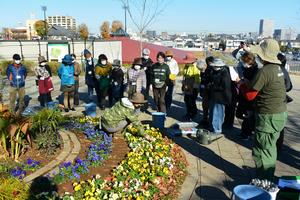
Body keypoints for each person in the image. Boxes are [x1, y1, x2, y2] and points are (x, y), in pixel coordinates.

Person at [239, 39, 287, 181]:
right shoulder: (279, 69)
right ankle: (268, 176)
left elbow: (250, 95)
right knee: (270, 148)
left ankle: (264, 181)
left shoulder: (264, 71)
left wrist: (241, 84)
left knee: (262, 150)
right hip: (280, 114)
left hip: (268, 116)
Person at [236, 52, 258, 140]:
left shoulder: (255, 70)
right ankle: (244, 132)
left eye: (244, 61)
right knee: (244, 115)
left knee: (248, 115)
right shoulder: (247, 69)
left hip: (250, 97)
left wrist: (243, 82)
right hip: (244, 95)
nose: (243, 63)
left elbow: (252, 84)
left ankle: (247, 133)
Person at [206, 58, 232, 134]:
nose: (215, 67)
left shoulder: (224, 73)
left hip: (221, 97)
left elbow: (225, 86)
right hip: (213, 95)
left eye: (216, 66)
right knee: (212, 112)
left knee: (217, 113)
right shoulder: (213, 71)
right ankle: (212, 127)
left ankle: (217, 129)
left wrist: (213, 86)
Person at [276, 52, 293, 153]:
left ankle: (277, 146)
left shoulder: (275, 71)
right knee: (280, 125)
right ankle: (279, 145)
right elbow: (289, 86)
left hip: (276, 101)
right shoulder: (284, 71)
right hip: (282, 100)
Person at [182, 55, 200, 120]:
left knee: (191, 101)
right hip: (187, 85)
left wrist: (194, 88)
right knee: (186, 100)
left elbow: (197, 79)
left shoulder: (195, 67)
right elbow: (184, 76)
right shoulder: (187, 66)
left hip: (193, 86)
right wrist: (183, 85)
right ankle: (188, 112)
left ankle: (193, 113)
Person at [199, 56, 214, 128]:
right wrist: (201, 90)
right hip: (205, 90)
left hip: (211, 91)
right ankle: (204, 119)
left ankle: (210, 121)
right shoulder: (205, 70)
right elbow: (202, 81)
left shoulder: (213, 70)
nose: (208, 64)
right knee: (204, 106)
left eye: (209, 63)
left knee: (210, 107)